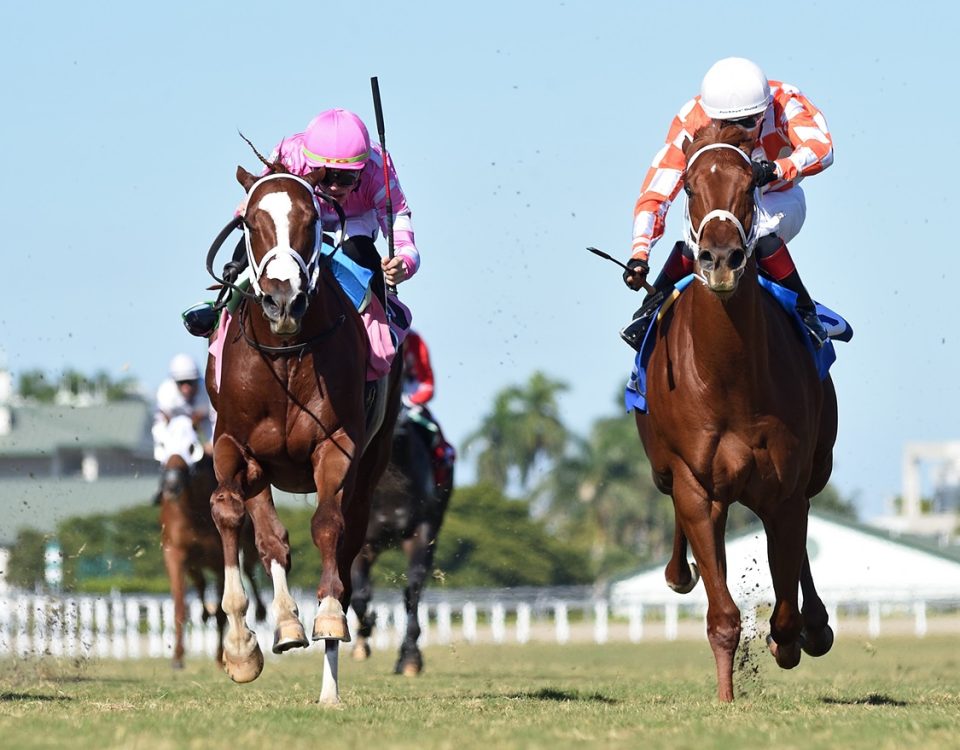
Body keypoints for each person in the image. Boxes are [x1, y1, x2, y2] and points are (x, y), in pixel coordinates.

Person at [621, 57, 832, 351]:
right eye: (728, 124)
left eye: (749, 122)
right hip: (722, 201)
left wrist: (775, 169)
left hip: (777, 195)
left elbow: (822, 149)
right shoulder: (693, 118)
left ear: (764, 109)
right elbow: (658, 190)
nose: (739, 132)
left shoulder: (784, 101)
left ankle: (807, 311)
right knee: (694, 243)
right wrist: (639, 254)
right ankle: (648, 311)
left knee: (761, 237)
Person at [183, 108, 418, 359]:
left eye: (347, 178)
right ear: (311, 165)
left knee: (360, 252)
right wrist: (245, 207)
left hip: (353, 222)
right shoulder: (290, 156)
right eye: (326, 175)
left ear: (362, 170)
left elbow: (397, 218)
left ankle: (383, 321)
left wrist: (404, 261)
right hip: (300, 217)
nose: (335, 186)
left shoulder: (377, 168)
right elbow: (261, 202)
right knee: (255, 235)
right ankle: (221, 308)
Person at [151, 354, 214, 503]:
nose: (186, 388)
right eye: (181, 383)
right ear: (174, 382)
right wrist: (164, 443)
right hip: (176, 430)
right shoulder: (165, 393)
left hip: (202, 425)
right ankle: (163, 484)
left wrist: (211, 444)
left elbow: (214, 419)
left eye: (190, 382)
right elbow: (159, 423)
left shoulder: (208, 390)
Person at [401, 330, 455, 489]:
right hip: (383, 396)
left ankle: (439, 476)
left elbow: (428, 383)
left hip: (410, 399)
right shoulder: (374, 332)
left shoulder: (415, 341)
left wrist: (411, 400)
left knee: (432, 429)